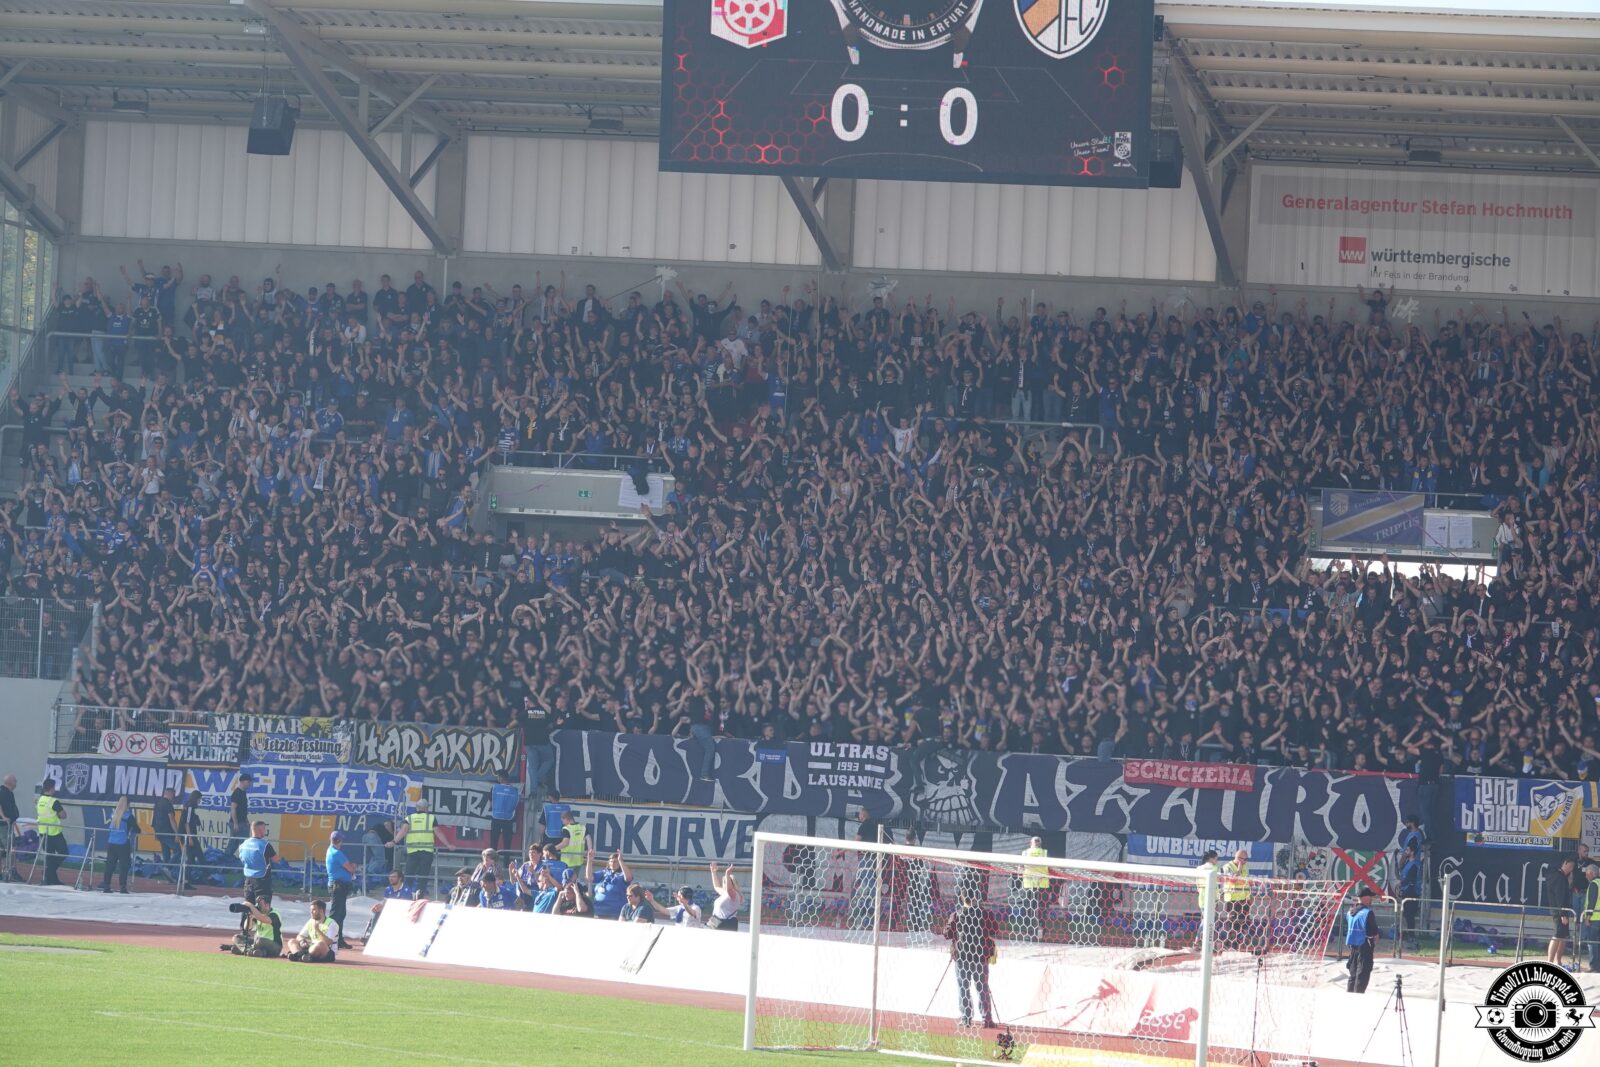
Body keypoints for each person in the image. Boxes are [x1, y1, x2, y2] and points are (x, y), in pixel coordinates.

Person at [943, 891, 998, 1028]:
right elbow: (995, 930)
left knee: (963, 988)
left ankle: (966, 1018)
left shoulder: (956, 915)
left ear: (962, 899)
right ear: (975, 898)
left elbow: (947, 934)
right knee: (982, 988)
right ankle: (987, 1019)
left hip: (962, 958)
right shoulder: (985, 914)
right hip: (980, 957)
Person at [235, 820, 277, 931]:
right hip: (262, 879)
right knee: (264, 907)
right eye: (264, 829)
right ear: (259, 830)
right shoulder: (264, 845)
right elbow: (275, 859)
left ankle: (244, 930)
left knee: (247, 905)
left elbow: (242, 858)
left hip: (249, 879)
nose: (265, 831)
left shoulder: (244, 844)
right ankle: (263, 931)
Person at [325, 830, 357, 949]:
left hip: (338, 886)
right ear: (339, 841)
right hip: (338, 886)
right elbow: (350, 868)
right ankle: (329, 939)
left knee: (340, 913)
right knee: (336, 914)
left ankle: (338, 939)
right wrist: (353, 866)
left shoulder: (331, 851)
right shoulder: (337, 853)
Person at [364, 870, 420, 939]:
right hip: (390, 910)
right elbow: (385, 902)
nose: (391, 878)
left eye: (394, 877)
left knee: (380, 912)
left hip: (402, 912)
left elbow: (403, 905)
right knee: (377, 911)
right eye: (390, 877)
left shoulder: (406, 890)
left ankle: (372, 936)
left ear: (400, 878)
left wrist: (384, 908)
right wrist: (378, 906)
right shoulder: (388, 889)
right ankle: (371, 935)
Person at [397, 799, 437, 896]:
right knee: (423, 876)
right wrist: (448, 844)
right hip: (427, 851)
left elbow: (403, 831)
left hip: (412, 851)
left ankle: (405, 894)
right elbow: (438, 832)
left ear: (417, 807)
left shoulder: (409, 818)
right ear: (426, 808)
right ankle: (420, 895)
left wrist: (394, 841)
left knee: (409, 875)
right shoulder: (431, 818)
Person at [1345, 886, 1380, 994]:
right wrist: (1376, 935)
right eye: (1370, 897)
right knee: (1362, 975)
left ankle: (1349, 996)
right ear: (1365, 898)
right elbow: (1372, 932)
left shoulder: (1350, 912)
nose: (1371, 899)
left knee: (1353, 975)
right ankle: (1358, 998)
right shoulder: (1368, 913)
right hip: (1365, 946)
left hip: (1352, 947)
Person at [100, 795, 136, 894]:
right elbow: (136, 828)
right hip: (122, 843)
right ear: (128, 805)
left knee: (110, 865)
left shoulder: (113, 815)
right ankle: (122, 887)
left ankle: (106, 886)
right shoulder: (129, 816)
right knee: (124, 866)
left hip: (111, 843)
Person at [285, 898, 340, 963]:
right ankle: (302, 957)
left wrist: (317, 929)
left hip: (326, 952)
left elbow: (328, 942)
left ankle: (297, 956)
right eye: (310, 910)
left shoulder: (332, 924)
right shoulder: (311, 921)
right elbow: (300, 936)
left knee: (320, 944)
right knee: (292, 941)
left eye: (313, 910)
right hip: (311, 948)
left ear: (321, 911)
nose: (311, 912)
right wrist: (302, 941)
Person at [587, 845, 633, 921]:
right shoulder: (604, 872)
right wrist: (589, 861)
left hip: (614, 914)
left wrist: (621, 860)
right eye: (611, 861)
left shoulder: (622, 875)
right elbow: (589, 877)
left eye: (615, 862)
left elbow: (628, 878)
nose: (613, 863)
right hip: (598, 911)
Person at [36, 778, 66, 886]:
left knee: (49, 856)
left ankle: (50, 878)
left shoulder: (39, 800)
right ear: (52, 788)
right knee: (64, 852)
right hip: (54, 832)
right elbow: (63, 815)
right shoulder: (53, 801)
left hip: (43, 831)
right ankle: (48, 873)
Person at [1547, 855, 1576, 966]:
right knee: (1557, 935)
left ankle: (1558, 961)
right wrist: (1563, 914)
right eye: (1570, 866)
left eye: (1573, 867)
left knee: (1563, 936)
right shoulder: (1559, 877)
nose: (1571, 869)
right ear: (1565, 863)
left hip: (1562, 910)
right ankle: (1550, 961)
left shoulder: (1562, 877)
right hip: (1559, 911)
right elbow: (1559, 897)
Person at [1018, 836, 1050, 940]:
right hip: (1042, 884)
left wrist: (1020, 876)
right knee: (1042, 909)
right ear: (1040, 843)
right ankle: (1041, 932)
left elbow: (1020, 869)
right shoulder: (1045, 853)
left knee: (1029, 908)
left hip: (1029, 884)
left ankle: (1028, 931)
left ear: (1030, 843)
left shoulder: (1025, 853)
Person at [1220, 847, 1252, 949]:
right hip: (1232, 899)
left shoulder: (1245, 867)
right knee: (1232, 922)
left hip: (1244, 899)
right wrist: (1239, 869)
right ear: (1238, 858)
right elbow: (1232, 880)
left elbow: (1246, 882)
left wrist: (1250, 896)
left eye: (1247, 859)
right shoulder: (1227, 866)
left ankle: (1236, 944)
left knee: (1244, 923)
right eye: (1244, 859)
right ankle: (1227, 943)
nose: (1245, 862)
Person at [489, 772, 519, 863]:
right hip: (508, 818)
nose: (497, 778)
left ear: (501, 778)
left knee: (494, 841)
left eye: (498, 777)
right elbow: (516, 805)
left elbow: (491, 802)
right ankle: (506, 862)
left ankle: (492, 861)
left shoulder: (495, 788)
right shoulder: (514, 790)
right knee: (507, 841)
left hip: (496, 817)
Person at [1396, 845, 1422, 951]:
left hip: (1412, 893)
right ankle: (1409, 935)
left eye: (1407, 850)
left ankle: (1412, 937)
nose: (1405, 852)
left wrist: (1402, 884)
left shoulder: (1415, 865)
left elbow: (1410, 879)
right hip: (1406, 892)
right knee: (1406, 915)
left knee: (1410, 915)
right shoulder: (1407, 863)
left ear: (1412, 852)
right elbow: (1401, 872)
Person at [151, 786, 179, 881]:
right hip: (167, 832)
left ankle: (168, 876)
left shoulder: (158, 803)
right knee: (178, 851)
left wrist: (156, 832)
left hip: (159, 832)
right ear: (170, 794)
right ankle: (168, 868)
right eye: (173, 795)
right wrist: (177, 833)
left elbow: (154, 819)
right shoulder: (168, 804)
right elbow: (172, 819)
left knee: (166, 853)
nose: (174, 797)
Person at [707, 862, 742, 931]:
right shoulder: (725, 893)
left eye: (725, 882)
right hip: (716, 922)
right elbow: (716, 887)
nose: (724, 884)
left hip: (726, 925)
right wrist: (713, 872)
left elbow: (729, 889)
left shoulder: (734, 894)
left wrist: (727, 874)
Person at [1581, 861, 1600, 974]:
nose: (1586, 876)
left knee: (1592, 943)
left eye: (1587, 873)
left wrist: (1587, 917)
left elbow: (1592, 902)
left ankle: (1593, 966)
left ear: (1592, 873)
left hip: (1594, 918)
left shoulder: (1594, 884)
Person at [227, 773, 252, 855]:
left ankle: (227, 857)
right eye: (248, 782)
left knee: (234, 844)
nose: (250, 784)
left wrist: (246, 821)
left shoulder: (243, 793)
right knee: (240, 844)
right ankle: (226, 858)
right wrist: (235, 823)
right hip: (238, 823)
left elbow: (242, 810)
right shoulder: (237, 793)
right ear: (242, 781)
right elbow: (233, 808)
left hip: (242, 822)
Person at [0, 773, 19, 882]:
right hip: (4, 826)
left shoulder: (9, 793)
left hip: (8, 825)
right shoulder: (2, 792)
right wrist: (4, 817)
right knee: (10, 848)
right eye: (15, 781)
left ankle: (5, 872)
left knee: (4, 850)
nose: (16, 783)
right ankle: (10, 871)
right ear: (10, 782)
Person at [556, 807, 587, 873]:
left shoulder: (566, 829)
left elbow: (565, 843)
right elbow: (589, 838)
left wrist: (553, 848)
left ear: (566, 819)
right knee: (575, 878)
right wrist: (590, 850)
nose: (563, 823)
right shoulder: (582, 827)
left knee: (566, 878)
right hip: (579, 860)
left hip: (568, 861)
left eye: (563, 821)